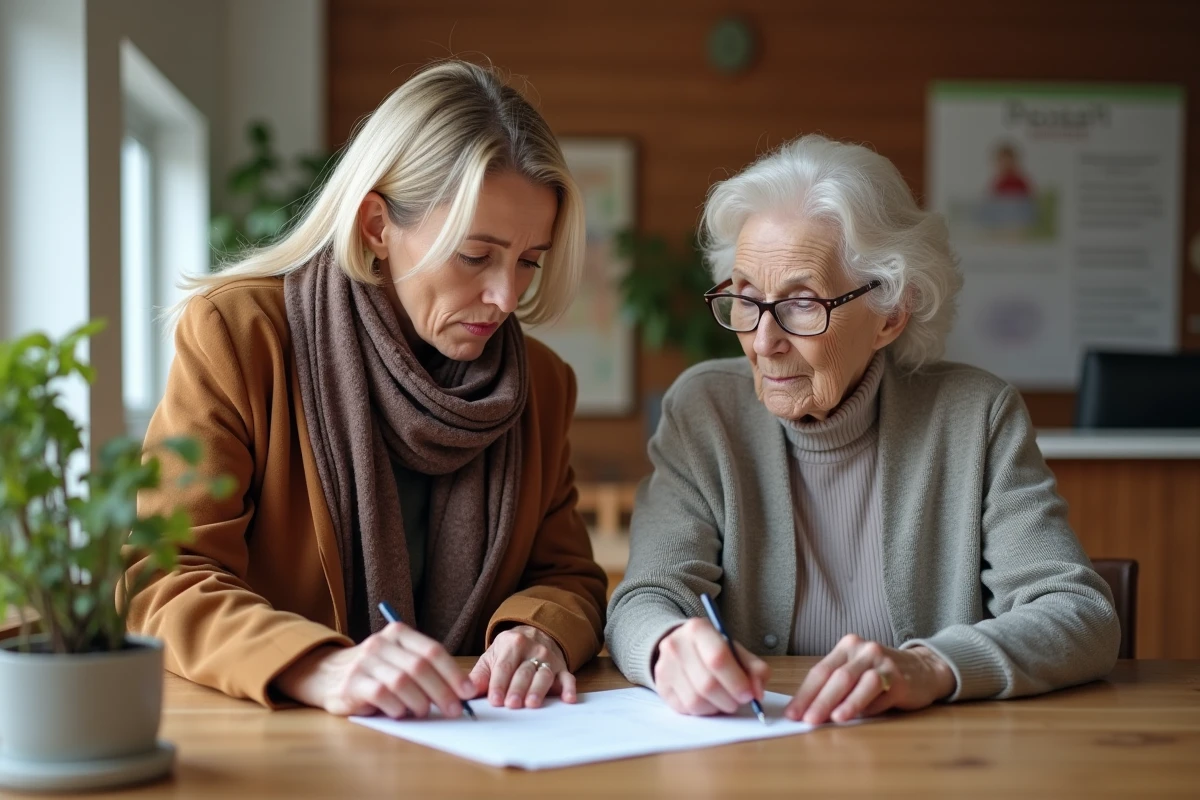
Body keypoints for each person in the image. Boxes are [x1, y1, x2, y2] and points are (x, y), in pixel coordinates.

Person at [127, 60, 608, 719]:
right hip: (280, 746)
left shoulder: (543, 386)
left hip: (478, 745)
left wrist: (539, 631)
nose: (505, 297)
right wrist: (318, 666)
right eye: (476, 255)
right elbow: (162, 576)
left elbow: (568, 578)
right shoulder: (241, 336)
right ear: (377, 225)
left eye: (529, 261)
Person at [605, 134, 1119, 725]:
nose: (764, 341)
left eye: (801, 303)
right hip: (749, 761)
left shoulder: (974, 415)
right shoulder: (704, 411)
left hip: (934, 762)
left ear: (891, 315)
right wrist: (670, 646)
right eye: (747, 298)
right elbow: (645, 598)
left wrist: (929, 666)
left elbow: (1078, 613)